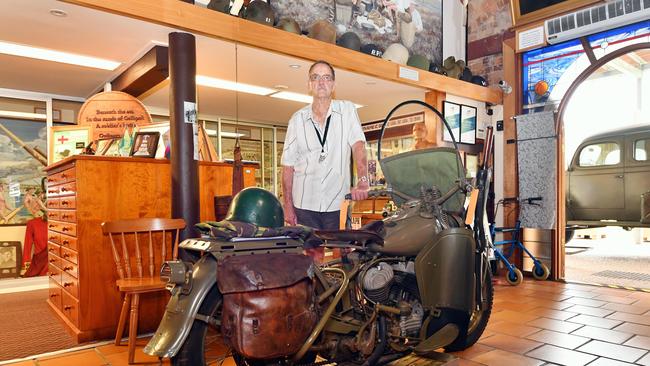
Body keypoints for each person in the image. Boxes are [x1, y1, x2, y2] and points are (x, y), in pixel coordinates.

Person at [282, 60, 369, 262]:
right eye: (315, 77)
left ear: (334, 84)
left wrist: (363, 179)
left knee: (342, 259)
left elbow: (359, 147)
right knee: (309, 262)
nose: (321, 82)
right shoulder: (297, 120)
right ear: (309, 85)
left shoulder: (347, 111)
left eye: (327, 77)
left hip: (337, 203)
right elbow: (288, 167)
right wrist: (287, 205)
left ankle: (341, 294)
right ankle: (314, 294)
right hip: (304, 205)